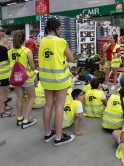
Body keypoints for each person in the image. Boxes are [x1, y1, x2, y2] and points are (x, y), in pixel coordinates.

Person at [39, 18, 75, 146]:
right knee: (59, 105)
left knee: (48, 105)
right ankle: (59, 137)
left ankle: (48, 133)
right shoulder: (61, 42)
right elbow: (71, 58)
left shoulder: (42, 41)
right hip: (60, 79)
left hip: (46, 79)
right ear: (58, 28)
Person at [8, 31, 36, 129]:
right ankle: (26, 119)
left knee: (19, 96)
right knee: (31, 97)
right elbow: (32, 66)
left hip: (15, 77)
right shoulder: (27, 51)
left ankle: (19, 118)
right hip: (26, 78)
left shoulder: (10, 51)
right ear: (24, 40)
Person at [0, 31, 15, 118]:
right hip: (2, 75)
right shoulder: (2, 49)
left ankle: (2, 107)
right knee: (2, 93)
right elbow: (11, 59)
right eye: (5, 37)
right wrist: (11, 49)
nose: (7, 38)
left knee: (3, 92)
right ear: (1, 38)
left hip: (3, 75)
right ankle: (1, 112)